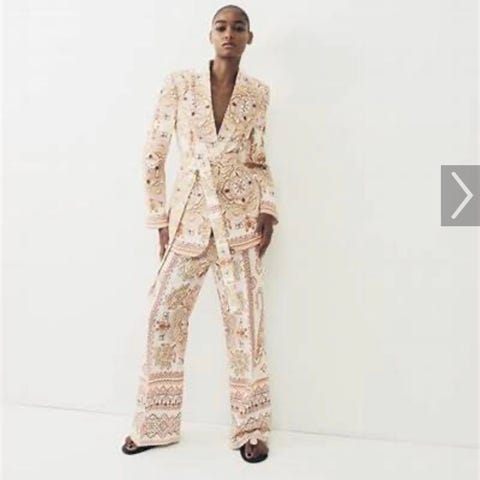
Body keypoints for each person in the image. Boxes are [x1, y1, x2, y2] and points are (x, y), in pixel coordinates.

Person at [121, 4, 279, 464]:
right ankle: (154, 424)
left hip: (240, 225)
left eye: (238, 28)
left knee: (246, 325)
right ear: (210, 35)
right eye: (221, 27)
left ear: (250, 37)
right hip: (189, 220)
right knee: (162, 315)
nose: (229, 34)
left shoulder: (258, 94)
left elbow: (258, 159)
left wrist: (268, 208)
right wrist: (159, 219)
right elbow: (153, 154)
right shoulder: (180, 85)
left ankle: (251, 428)